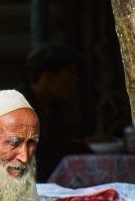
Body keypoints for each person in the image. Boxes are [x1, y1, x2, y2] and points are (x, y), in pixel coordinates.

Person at [18, 42, 86, 181]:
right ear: (48, 77)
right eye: (69, 73)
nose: (75, 79)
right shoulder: (19, 109)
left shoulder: (51, 105)